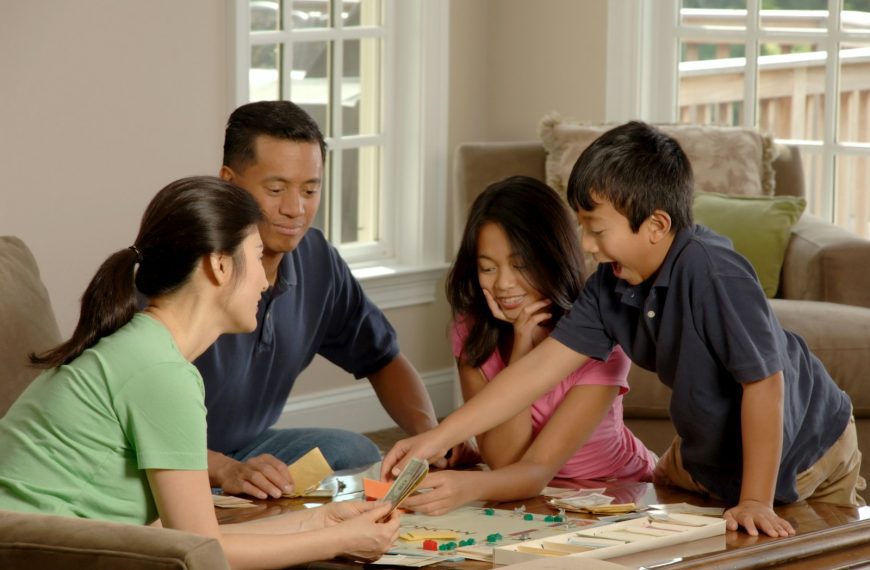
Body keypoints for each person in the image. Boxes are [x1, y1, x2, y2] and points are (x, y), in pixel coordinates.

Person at [382, 122, 865, 538]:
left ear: (656, 225)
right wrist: (436, 437)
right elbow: (534, 373)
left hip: (804, 446)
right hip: (708, 456)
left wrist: (756, 499)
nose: (586, 245)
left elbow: (764, 384)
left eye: (596, 230)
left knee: (801, 549)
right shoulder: (608, 288)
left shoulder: (713, 272)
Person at [0, 177, 400, 568]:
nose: (265, 281)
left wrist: (321, 522)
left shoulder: (142, 347)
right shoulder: (161, 373)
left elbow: (187, 537)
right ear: (220, 265)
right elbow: (203, 554)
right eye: (257, 256)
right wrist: (339, 541)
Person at [196, 100, 475, 501]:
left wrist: (429, 436)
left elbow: (382, 357)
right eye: (275, 190)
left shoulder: (316, 259)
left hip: (246, 446)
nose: (295, 209)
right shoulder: (187, 268)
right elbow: (132, 425)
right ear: (229, 183)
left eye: (310, 190)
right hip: (168, 458)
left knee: (354, 452)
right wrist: (223, 469)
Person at [402, 176, 656, 516]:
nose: (504, 284)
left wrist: (469, 484)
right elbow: (503, 460)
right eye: (487, 268)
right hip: (529, 494)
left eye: (520, 265)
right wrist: (521, 347)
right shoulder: (472, 331)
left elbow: (536, 469)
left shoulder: (601, 338)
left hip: (616, 489)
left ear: (553, 257)